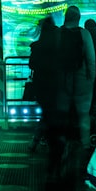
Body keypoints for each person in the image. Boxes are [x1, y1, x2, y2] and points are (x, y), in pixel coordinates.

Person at [56, 5, 96, 151]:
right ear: (78, 18)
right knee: (83, 115)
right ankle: (85, 144)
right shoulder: (85, 34)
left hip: (62, 79)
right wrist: (91, 79)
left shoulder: (58, 33)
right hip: (81, 79)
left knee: (62, 113)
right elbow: (91, 60)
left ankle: (61, 144)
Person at [28, 16, 60, 158]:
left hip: (41, 84)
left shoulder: (37, 46)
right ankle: (46, 140)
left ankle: (38, 140)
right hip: (56, 84)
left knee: (46, 113)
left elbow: (32, 64)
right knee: (50, 114)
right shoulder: (58, 46)